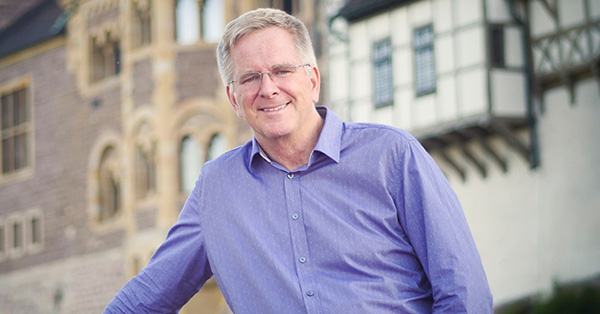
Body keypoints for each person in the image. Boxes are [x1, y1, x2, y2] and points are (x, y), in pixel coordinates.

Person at [104, 8, 493, 313]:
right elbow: (148, 296)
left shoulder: (392, 155)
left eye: (282, 70)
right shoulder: (216, 188)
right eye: (250, 78)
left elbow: (462, 290)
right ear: (233, 98)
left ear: (312, 79)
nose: (268, 88)